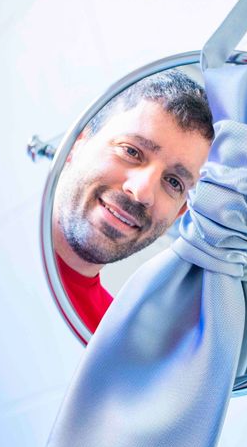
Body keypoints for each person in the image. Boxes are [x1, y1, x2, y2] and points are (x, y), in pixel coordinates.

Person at [52, 69, 215, 332]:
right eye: (131, 151)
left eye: (173, 182)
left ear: (180, 212)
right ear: (77, 144)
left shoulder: (108, 345)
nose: (142, 192)